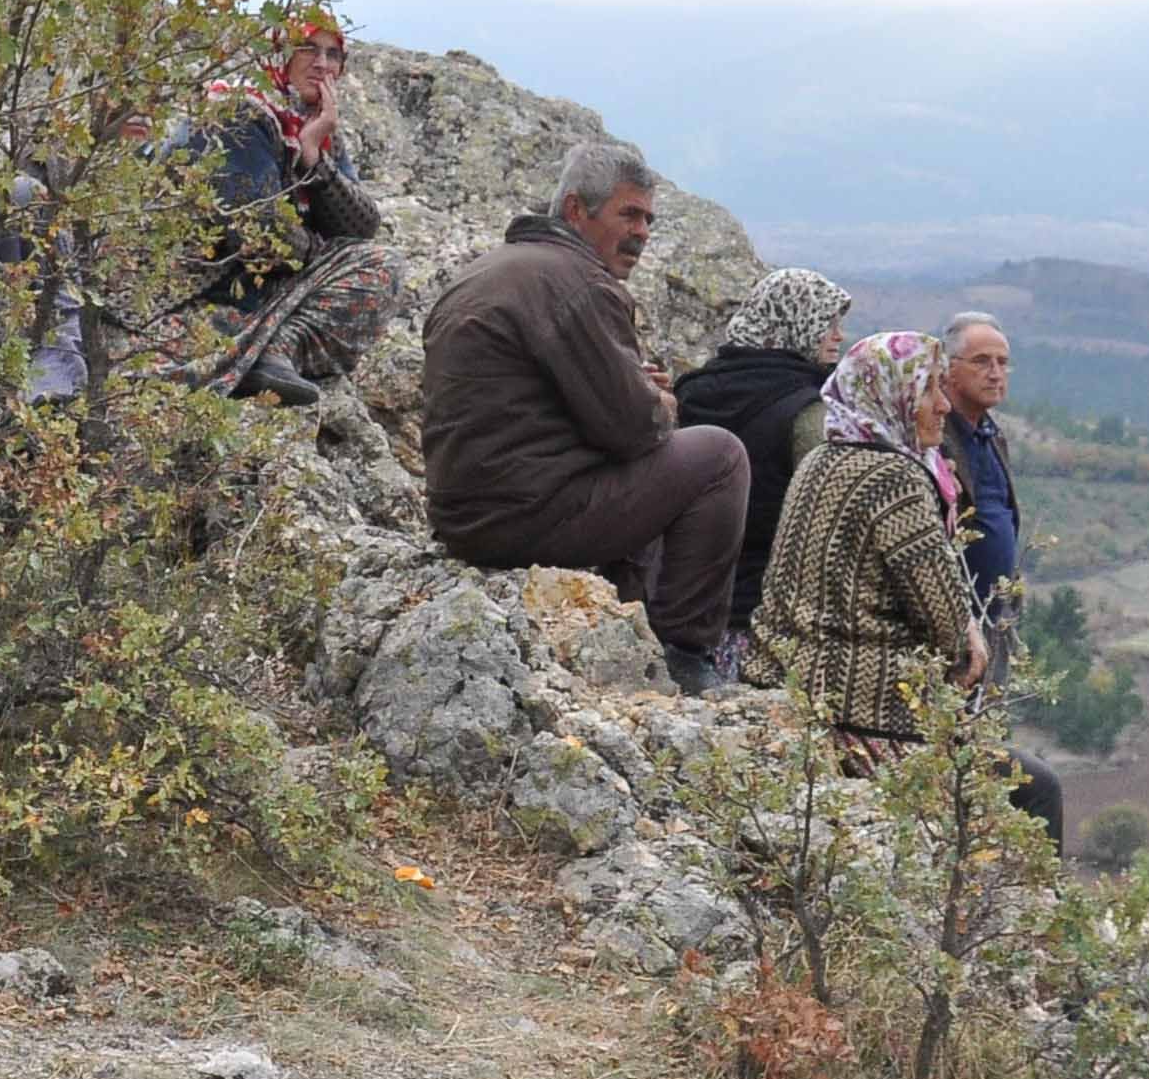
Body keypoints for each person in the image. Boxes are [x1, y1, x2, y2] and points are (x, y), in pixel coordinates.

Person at [419, 139, 748, 696]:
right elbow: (632, 428)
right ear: (576, 210)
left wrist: (634, 391)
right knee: (717, 455)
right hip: (525, 518)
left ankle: (630, 618)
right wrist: (660, 400)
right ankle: (686, 652)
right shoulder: (579, 284)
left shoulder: (490, 271)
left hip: (465, 517)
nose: (642, 231)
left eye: (648, 218)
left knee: (644, 470)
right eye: (629, 214)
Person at [747, 331, 985, 743]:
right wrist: (967, 646)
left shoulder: (821, 458)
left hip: (786, 682)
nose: (944, 406)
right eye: (928, 391)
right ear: (892, 396)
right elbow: (943, 618)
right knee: (1034, 788)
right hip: (863, 711)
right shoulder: (895, 479)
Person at [172, 15, 397, 406]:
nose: (322, 64)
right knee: (367, 265)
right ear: (279, 54)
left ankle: (276, 353)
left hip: (260, 290)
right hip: (201, 289)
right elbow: (260, 234)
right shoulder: (239, 113)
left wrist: (314, 158)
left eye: (333, 54)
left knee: (380, 266)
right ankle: (253, 356)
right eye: (308, 48)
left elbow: (363, 226)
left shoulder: (310, 127)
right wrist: (323, 253)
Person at [675, 267, 852, 650]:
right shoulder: (809, 412)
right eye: (827, 322)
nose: (838, 335)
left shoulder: (692, 392)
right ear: (795, 322)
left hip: (688, 603)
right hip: (767, 615)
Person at [936, 313, 1025, 656]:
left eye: (1003, 363)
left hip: (995, 619)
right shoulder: (933, 440)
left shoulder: (992, 435)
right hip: (953, 629)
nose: (995, 373)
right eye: (982, 362)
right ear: (949, 369)